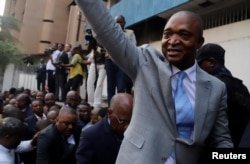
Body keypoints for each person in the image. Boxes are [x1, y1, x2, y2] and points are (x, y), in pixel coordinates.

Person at [75, 1, 233, 163]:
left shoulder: (216, 88)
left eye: (184, 35)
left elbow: (222, 140)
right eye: (167, 34)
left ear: (199, 42)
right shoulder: (145, 62)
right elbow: (107, 30)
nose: (173, 41)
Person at [196, 43, 250, 147]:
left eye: (199, 64)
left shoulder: (214, 86)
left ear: (211, 62)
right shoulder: (242, 88)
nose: (196, 70)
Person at [76, 93, 133, 164]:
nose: (127, 127)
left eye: (130, 121)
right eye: (122, 121)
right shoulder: (90, 135)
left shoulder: (135, 131)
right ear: (110, 113)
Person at [105, 15, 137, 106]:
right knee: (110, 87)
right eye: (116, 22)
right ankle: (110, 108)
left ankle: (120, 108)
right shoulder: (109, 33)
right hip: (110, 62)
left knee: (121, 87)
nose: (118, 24)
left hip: (122, 63)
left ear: (124, 23)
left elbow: (133, 47)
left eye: (120, 22)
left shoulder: (130, 33)